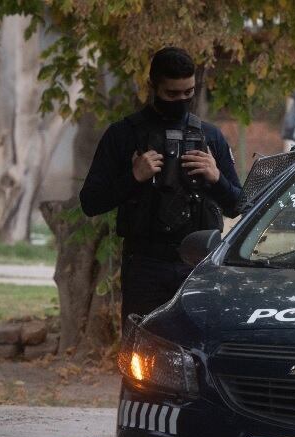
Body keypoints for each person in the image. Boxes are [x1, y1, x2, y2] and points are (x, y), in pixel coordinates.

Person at [80, 47, 242, 329]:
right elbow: (91, 202)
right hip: (145, 264)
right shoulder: (123, 135)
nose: (181, 100)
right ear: (153, 87)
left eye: (188, 93)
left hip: (199, 266)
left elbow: (239, 205)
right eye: (172, 94)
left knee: (197, 351)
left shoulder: (210, 136)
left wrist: (217, 178)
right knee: (140, 354)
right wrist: (134, 177)